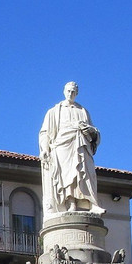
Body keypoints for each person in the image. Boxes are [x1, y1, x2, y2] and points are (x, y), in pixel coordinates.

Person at [38, 81, 104, 217]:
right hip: (62, 146)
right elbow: (44, 133)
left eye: (73, 92)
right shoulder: (54, 111)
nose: (70, 94)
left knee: (85, 173)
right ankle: (71, 203)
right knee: (67, 176)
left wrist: (91, 131)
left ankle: (92, 204)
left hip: (81, 144)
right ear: (64, 91)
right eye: (68, 91)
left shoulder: (83, 111)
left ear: (77, 93)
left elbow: (95, 133)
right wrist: (44, 149)